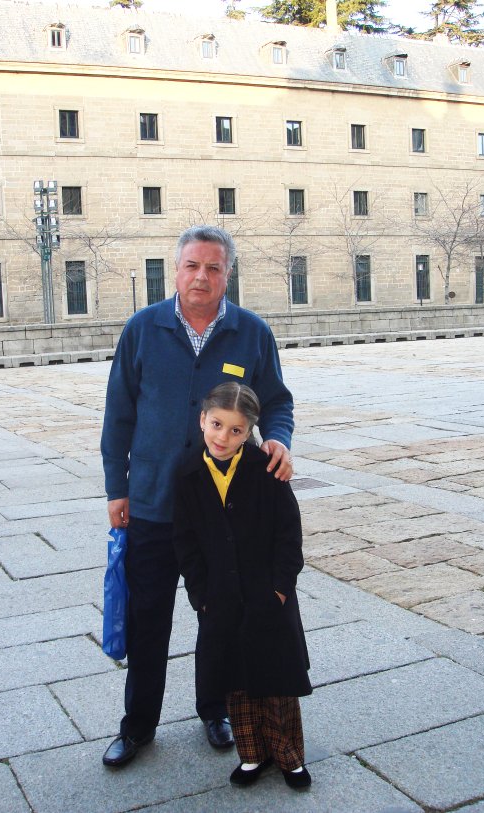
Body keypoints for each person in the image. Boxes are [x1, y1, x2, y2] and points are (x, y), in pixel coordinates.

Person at [100, 225, 295, 767]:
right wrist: (117, 487)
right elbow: (119, 415)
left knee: (221, 616)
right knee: (148, 619)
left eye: (213, 268)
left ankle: (218, 709)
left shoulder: (252, 333)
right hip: (154, 504)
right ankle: (138, 725)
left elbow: (277, 401)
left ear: (228, 273)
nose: (201, 277)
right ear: (176, 268)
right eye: (192, 266)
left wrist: (277, 436)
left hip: (226, 513)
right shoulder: (143, 329)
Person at [173, 382, 312, 790]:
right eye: (217, 425)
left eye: (236, 430)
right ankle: (251, 753)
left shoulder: (268, 469)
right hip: (219, 598)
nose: (223, 437)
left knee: (277, 681)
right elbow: (185, 542)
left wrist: (281, 589)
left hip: (268, 595)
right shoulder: (185, 472)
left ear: (249, 430)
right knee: (235, 680)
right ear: (202, 420)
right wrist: (201, 597)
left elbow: (290, 535)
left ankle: (288, 755)